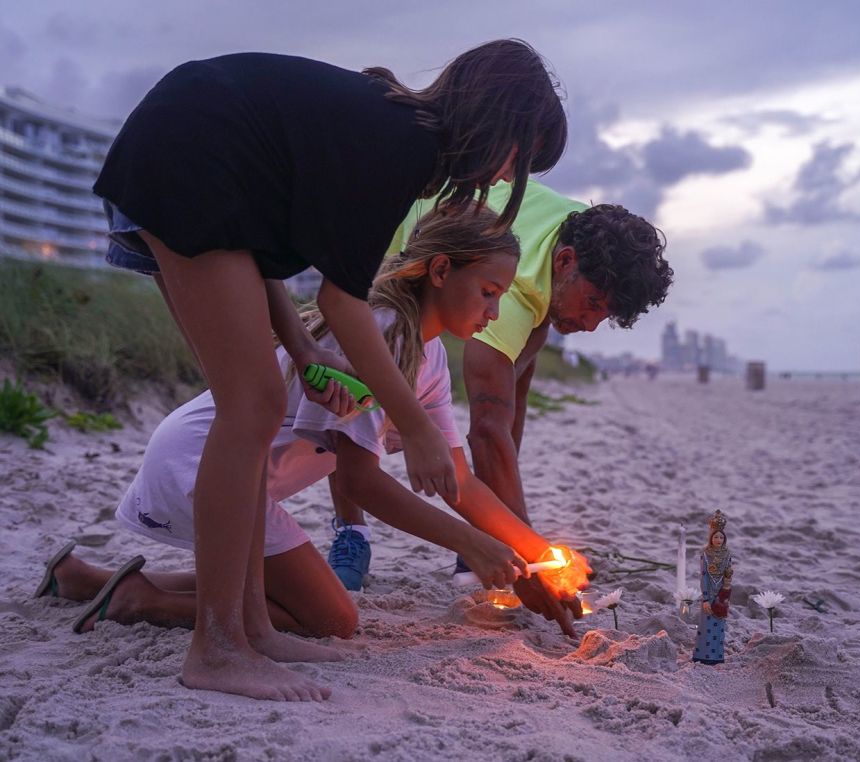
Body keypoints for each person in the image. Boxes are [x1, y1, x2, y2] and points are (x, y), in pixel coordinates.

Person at [92, 41, 567, 701]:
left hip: (194, 156)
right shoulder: (402, 146)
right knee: (253, 406)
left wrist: (303, 347)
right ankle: (218, 646)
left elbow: (266, 245)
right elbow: (345, 301)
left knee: (251, 406)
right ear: (500, 127)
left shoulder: (387, 132)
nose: (503, 177)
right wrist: (414, 427)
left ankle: (249, 627)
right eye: (518, 158)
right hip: (184, 153)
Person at [35, 208, 588, 656]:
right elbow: (360, 481)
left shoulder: (432, 357)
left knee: (299, 594)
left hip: (232, 477)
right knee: (332, 617)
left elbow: (459, 481)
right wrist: (470, 543)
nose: (495, 311)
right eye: (488, 291)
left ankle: (86, 579)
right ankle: (137, 599)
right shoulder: (381, 331)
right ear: (440, 271)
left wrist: (542, 553)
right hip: (200, 467)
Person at [326, 180, 672, 611]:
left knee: (491, 398)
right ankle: (351, 531)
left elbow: (510, 412)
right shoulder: (515, 287)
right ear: (564, 262)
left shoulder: (580, 242)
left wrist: (507, 532)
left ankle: (489, 529)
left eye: (608, 315)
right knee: (357, 389)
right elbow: (487, 431)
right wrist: (530, 559)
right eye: (594, 303)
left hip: (485, 249)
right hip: (401, 214)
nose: (591, 324)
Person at [692, 511, 732, 665]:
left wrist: (728, 577)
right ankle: (703, 656)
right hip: (709, 593)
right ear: (711, 537)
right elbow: (704, 576)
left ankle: (717, 657)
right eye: (716, 537)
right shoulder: (706, 554)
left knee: (719, 625)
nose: (718, 540)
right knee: (706, 625)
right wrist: (706, 598)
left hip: (722, 594)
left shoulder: (727, 554)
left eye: (721, 537)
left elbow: (728, 573)